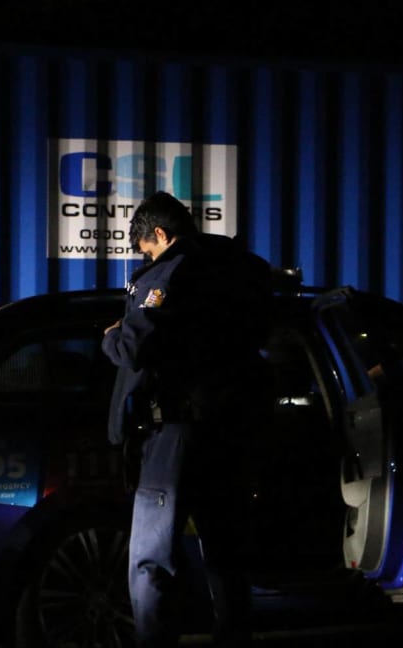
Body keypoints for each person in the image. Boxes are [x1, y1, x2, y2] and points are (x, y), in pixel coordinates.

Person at [101, 191, 273, 648]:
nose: (147, 256)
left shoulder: (171, 273)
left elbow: (136, 349)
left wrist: (112, 337)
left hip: (175, 436)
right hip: (226, 433)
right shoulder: (232, 271)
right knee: (224, 551)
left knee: (150, 558)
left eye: (147, 248)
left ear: (160, 234)